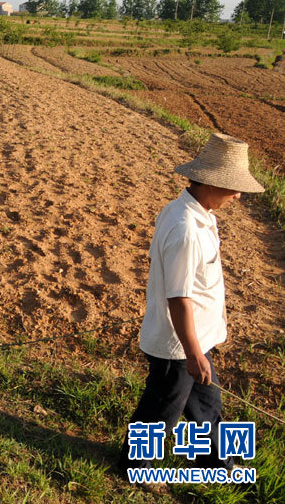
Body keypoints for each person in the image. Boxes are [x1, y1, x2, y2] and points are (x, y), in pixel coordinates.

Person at [119, 133, 264, 474]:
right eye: (234, 187)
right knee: (160, 412)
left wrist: (198, 349)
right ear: (211, 182)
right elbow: (179, 297)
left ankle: (218, 463)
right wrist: (193, 354)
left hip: (194, 339)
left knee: (207, 405)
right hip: (178, 346)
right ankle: (135, 467)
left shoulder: (196, 214)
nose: (238, 195)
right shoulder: (186, 229)